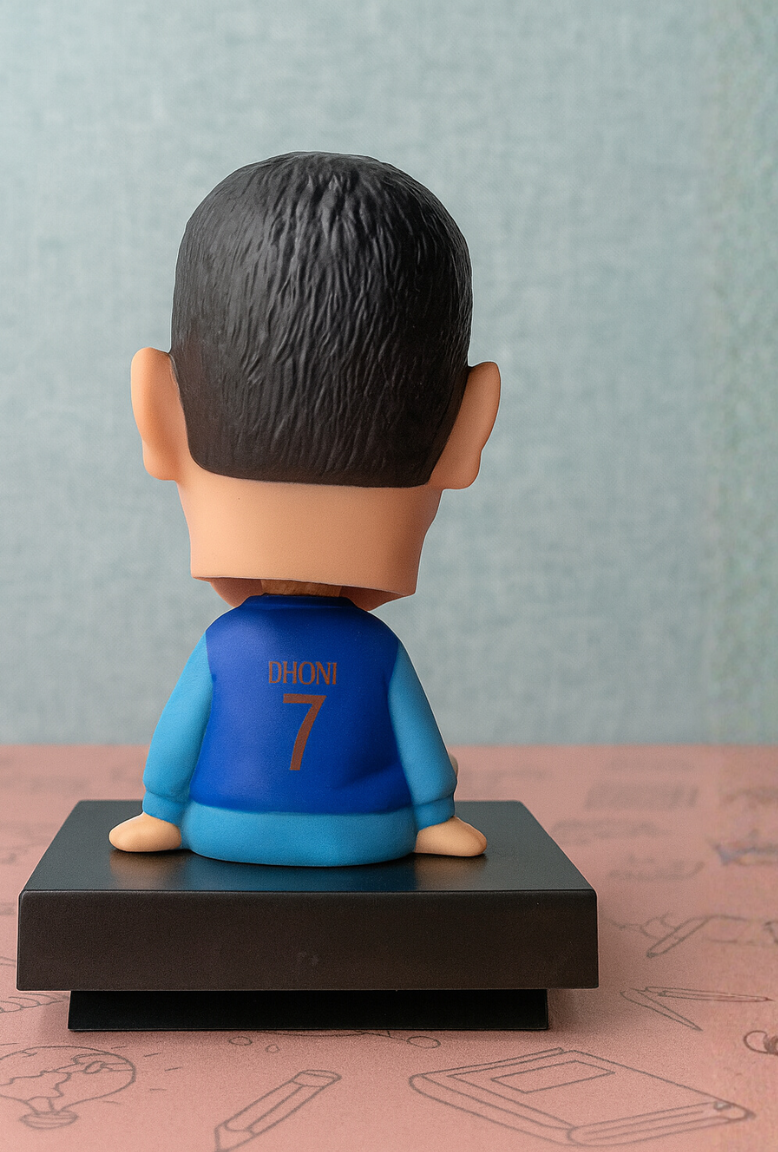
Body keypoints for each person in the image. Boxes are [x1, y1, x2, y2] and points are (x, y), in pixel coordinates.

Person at [110, 152, 500, 866]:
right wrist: (433, 816)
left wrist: (163, 811)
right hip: (369, 830)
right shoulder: (375, 649)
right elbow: (420, 745)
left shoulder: (226, 645)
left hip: (221, 824)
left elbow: (177, 741)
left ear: (156, 415)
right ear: (468, 431)